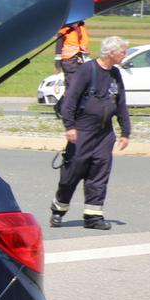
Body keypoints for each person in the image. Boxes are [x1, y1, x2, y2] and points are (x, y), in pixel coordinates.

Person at [51, 35, 131, 231]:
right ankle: (58, 209)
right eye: (123, 51)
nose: (125, 55)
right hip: (82, 131)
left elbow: (120, 103)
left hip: (104, 134)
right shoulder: (87, 70)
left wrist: (125, 131)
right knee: (72, 173)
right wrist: (69, 126)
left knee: (99, 175)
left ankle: (93, 217)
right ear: (111, 52)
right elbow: (70, 100)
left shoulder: (115, 74)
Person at [54, 20, 90, 96]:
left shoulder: (81, 27)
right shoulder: (64, 30)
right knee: (71, 87)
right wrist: (57, 63)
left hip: (81, 59)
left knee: (81, 85)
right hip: (69, 61)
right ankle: (65, 105)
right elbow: (58, 47)